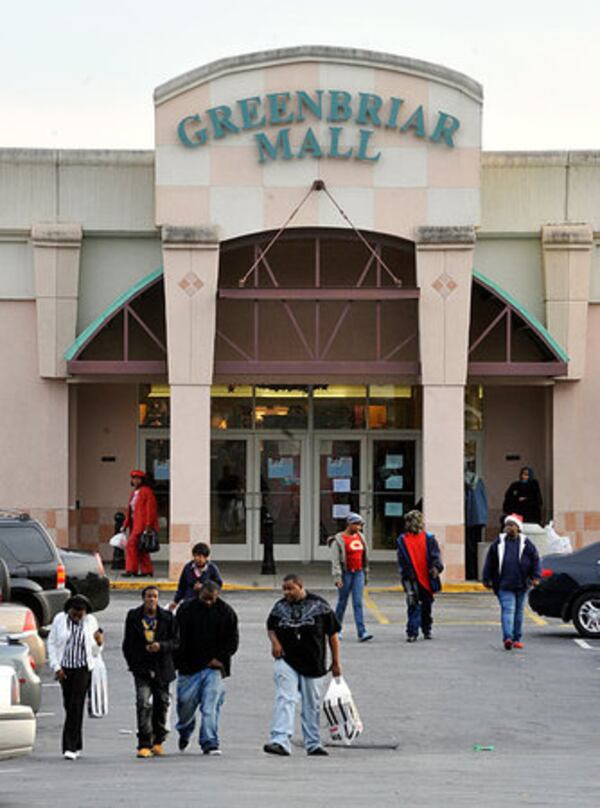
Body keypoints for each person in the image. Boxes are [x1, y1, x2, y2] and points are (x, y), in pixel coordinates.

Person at [263, 574, 341, 757]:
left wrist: (336, 662)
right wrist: (275, 642)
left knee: (311, 703)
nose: (286, 593)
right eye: (284, 589)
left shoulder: (320, 606)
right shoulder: (279, 606)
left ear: (300, 586)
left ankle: (313, 743)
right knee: (285, 698)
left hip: (313, 662)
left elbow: (333, 635)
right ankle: (280, 740)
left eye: (290, 588)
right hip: (286, 659)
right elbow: (271, 627)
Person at [175, 581, 239, 755]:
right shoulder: (186, 610)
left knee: (210, 707)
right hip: (189, 667)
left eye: (212, 599)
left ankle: (210, 742)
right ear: (199, 594)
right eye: (206, 599)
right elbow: (178, 638)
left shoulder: (226, 612)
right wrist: (178, 662)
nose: (209, 602)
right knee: (185, 707)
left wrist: (220, 659)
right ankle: (184, 730)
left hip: (214, 668)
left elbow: (232, 641)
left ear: (217, 595)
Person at [122, 585, 179, 758]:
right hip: (142, 668)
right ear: (143, 598)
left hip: (162, 667)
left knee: (162, 703)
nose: (151, 599)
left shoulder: (168, 618)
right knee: (143, 703)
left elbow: (176, 642)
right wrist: (133, 663)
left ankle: (158, 740)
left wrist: (161, 646)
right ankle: (144, 742)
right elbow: (128, 643)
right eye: (148, 596)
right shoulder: (134, 617)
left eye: (154, 596)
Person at [47, 594, 104, 760]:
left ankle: (69, 747)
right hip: (64, 668)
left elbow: (95, 652)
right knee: (68, 705)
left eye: (81, 613)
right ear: (69, 611)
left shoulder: (91, 622)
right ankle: (77, 742)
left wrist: (99, 643)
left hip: (83, 668)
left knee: (75, 705)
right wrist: (56, 667)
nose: (78, 616)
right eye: (75, 613)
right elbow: (52, 643)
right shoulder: (59, 620)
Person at [482, 513, 541, 650]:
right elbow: (490, 561)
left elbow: (535, 560)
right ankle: (507, 637)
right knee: (508, 610)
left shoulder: (526, 543)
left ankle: (516, 638)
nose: (509, 528)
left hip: (522, 584)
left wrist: (535, 577)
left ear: (518, 528)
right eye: (507, 525)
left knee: (519, 612)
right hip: (504, 584)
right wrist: (486, 578)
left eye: (512, 525)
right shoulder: (499, 542)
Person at [396, 510, 444, 642]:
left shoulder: (429, 538)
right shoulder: (402, 540)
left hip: (426, 577)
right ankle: (412, 631)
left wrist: (436, 568)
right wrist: (406, 573)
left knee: (427, 605)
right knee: (413, 604)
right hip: (411, 578)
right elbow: (401, 559)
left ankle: (426, 628)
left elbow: (435, 556)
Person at [328, 512, 373, 642]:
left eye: (360, 525)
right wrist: (337, 577)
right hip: (346, 573)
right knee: (342, 602)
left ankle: (362, 631)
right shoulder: (339, 540)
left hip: (358, 573)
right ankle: (336, 630)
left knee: (358, 602)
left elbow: (365, 557)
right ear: (350, 524)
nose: (359, 527)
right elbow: (335, 561)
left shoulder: (361, 537)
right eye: (357, 524)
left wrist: (366, 573)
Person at [123, 469, 159, 577]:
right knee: (142, 548)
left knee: (131, 545)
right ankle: (146, 570)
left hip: (142, 524)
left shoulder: (146, 491)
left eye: (138, 478)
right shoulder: (134, 493)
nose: (135, 481)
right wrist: (125, 524)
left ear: (142, 480)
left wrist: (148, 525)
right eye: (133, 478)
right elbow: (130, 510)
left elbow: (150, 510)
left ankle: (131, 569)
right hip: (135, 524)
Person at [169, 542, 223, 610]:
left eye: (202, 556)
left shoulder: (212, 568)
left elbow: (218, 584)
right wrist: (175, 601)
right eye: (197, 556)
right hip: (189, 602)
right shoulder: (188, 568)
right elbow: (182, 586)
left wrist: (204, 587)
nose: (199, 559)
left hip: (206, 603)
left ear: (206, 557)